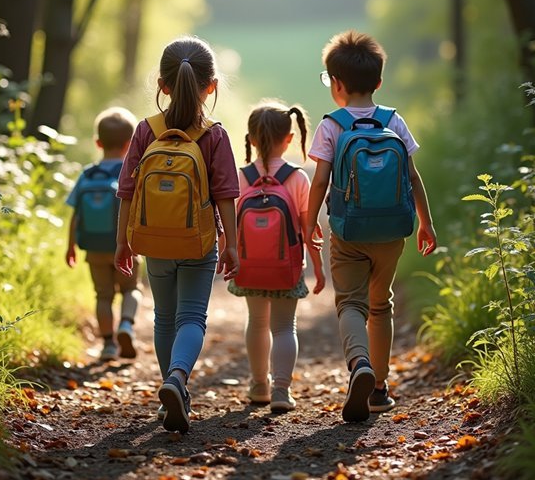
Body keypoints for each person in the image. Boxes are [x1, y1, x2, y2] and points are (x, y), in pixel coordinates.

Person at [305, 30, 437, 422]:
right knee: (382, 305)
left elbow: (319, 181)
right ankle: (379, 389)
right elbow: (412, 177)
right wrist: (425, 223)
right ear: (378, 82)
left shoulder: (332, 126)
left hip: (348, 232)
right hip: (393, 230)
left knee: (350, 302)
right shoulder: (393, 121)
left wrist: (308, 221)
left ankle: (359, 364)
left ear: (336, 84)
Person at [115, 36, 239, 434]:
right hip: (198, 242)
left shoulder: (145, 131)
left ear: (162, 85)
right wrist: (232, 244)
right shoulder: (214, 136)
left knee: (164, 317)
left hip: (153, 242)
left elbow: (127, 192)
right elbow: (225, 197)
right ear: (212, 85)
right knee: (191, 317)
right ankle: (178, 381)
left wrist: (123, 242)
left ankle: (171, 390)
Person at [227, 100, 325, 413]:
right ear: (290, 139)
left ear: (251, 139)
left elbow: (228, 223)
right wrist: (319, 270)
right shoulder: (297, 179)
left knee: (257, 323)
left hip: (249, 266)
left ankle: (259, 385)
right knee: (285, 327)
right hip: (287, 268)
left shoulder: (240, 178)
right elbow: (309, 231)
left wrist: (226, 255)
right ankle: (281, 390)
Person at [66, 107, 141, 361]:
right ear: (130, 144)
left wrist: (70, 247)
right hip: (126, 246)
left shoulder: (87, 175)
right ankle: (126, 326)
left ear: (98, 142)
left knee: (103, 295)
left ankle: (108, 345)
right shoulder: (131, 173)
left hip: (93, 247)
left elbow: (75, 215)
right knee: (131, 289)